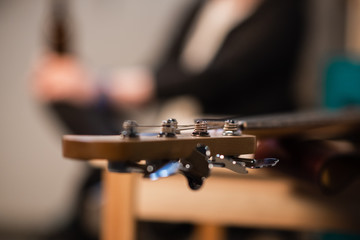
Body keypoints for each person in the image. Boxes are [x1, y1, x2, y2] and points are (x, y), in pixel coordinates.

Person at [32, 0, 306, 239]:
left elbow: (215, 78)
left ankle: (113, 178)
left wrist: (100, 85)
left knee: (112, 154)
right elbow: (164, 72)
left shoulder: (281, 10)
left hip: (227, 136)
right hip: (171, 128)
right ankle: (116, 168)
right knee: (63, 99)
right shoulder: (201, 8)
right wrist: (90, 92)